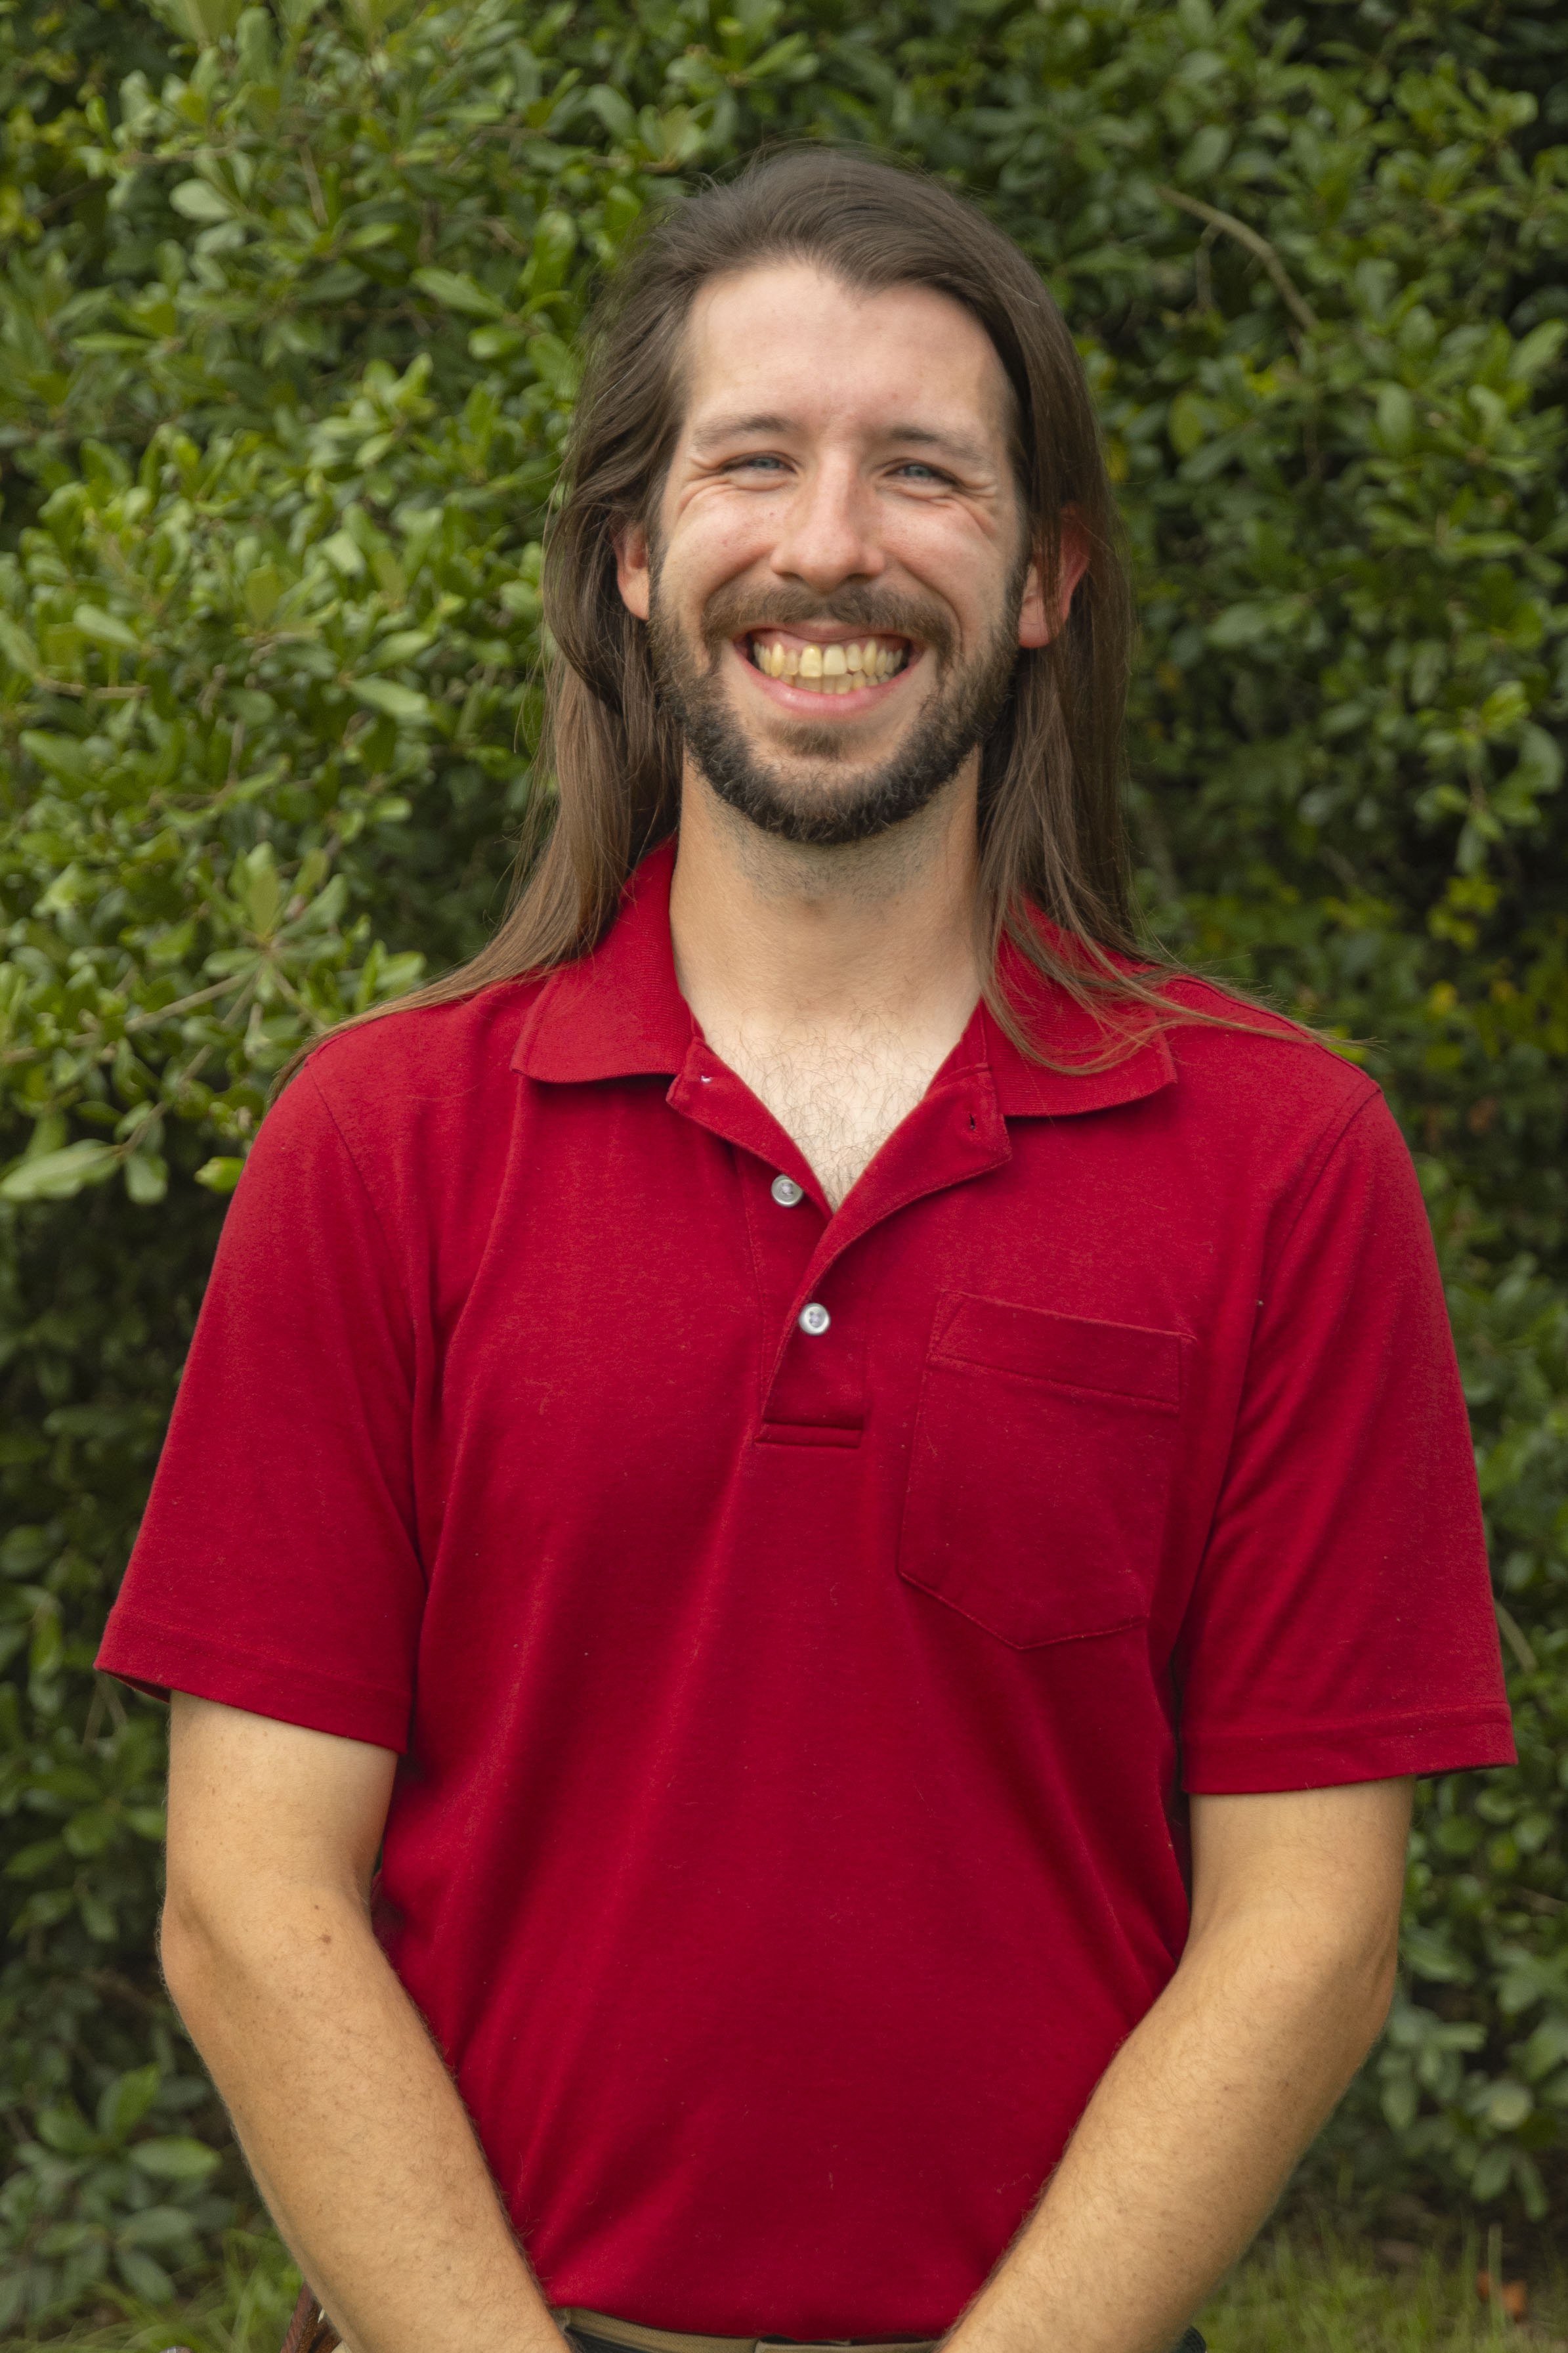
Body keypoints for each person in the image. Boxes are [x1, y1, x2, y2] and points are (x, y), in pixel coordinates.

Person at [98, 148, 1514, 2353]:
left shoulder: (1282, 1163)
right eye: (756, 460)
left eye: (923, 473)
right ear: (640, 558)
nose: (832, 542)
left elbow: (1309, 1932)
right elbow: (248, 1901)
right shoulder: (381, 1145)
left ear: (1042, 576)